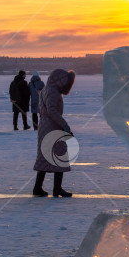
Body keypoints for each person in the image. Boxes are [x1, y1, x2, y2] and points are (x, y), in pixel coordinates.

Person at [33, 69, 76, 198]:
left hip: (44, 126)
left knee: (44, 157)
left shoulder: (46, 90)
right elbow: (52, 111)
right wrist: (64, 125)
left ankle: (37, 187)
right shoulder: (52, 92)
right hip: (52, 127)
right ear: (60, 81)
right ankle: (57, 188)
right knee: (59, 156)